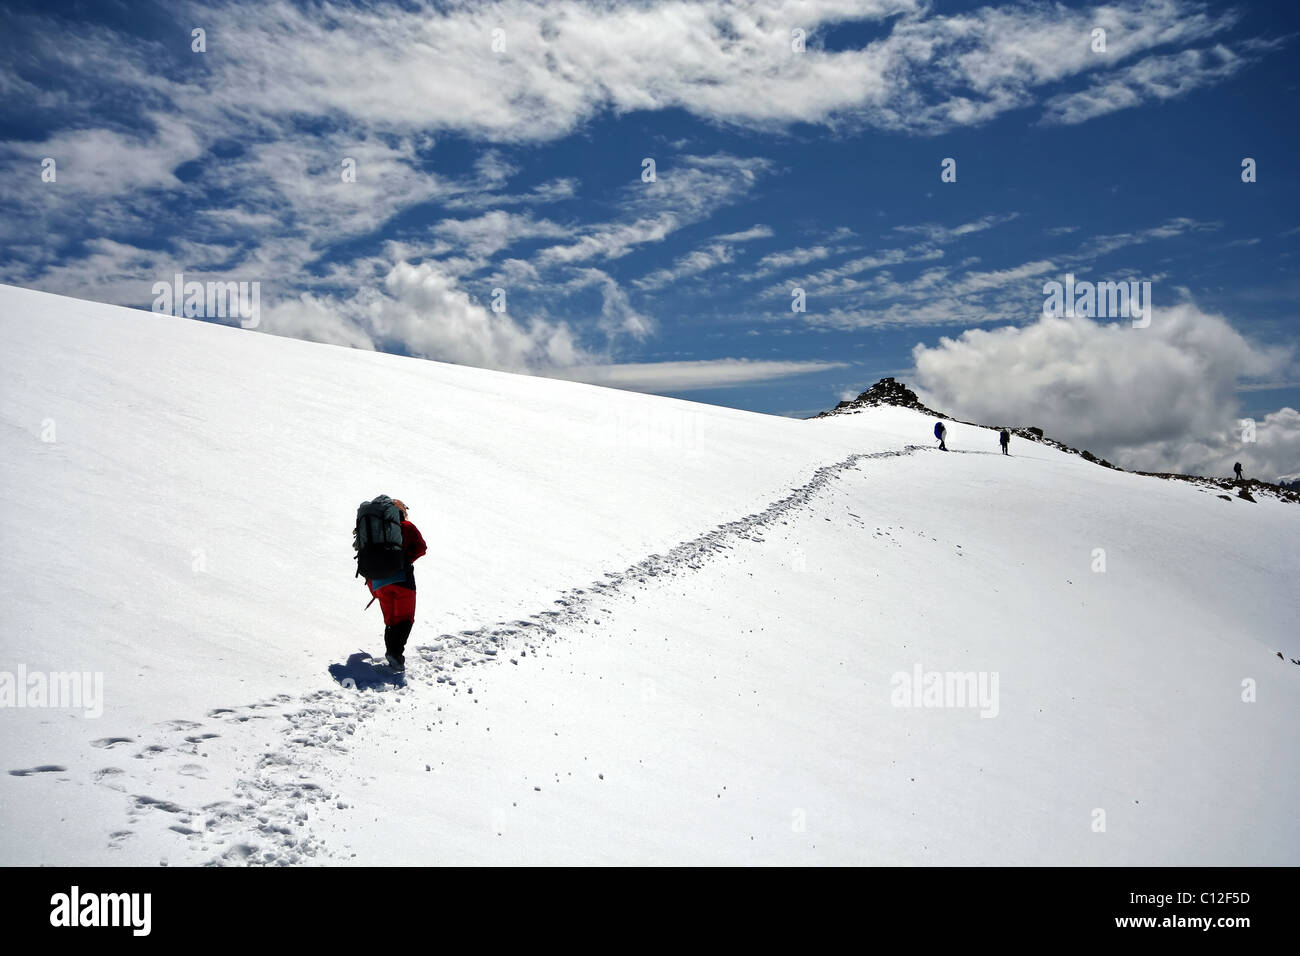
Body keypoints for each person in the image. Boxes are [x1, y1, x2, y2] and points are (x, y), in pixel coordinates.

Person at [365, 498, 426, 671]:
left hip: (378, 582)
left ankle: (392, 653)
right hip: (402, 580)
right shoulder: (406, 527)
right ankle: (395, 654)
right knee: (405, 618)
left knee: (391, 620)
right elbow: (421, 548)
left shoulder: (374, 531)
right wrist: (406, 560)